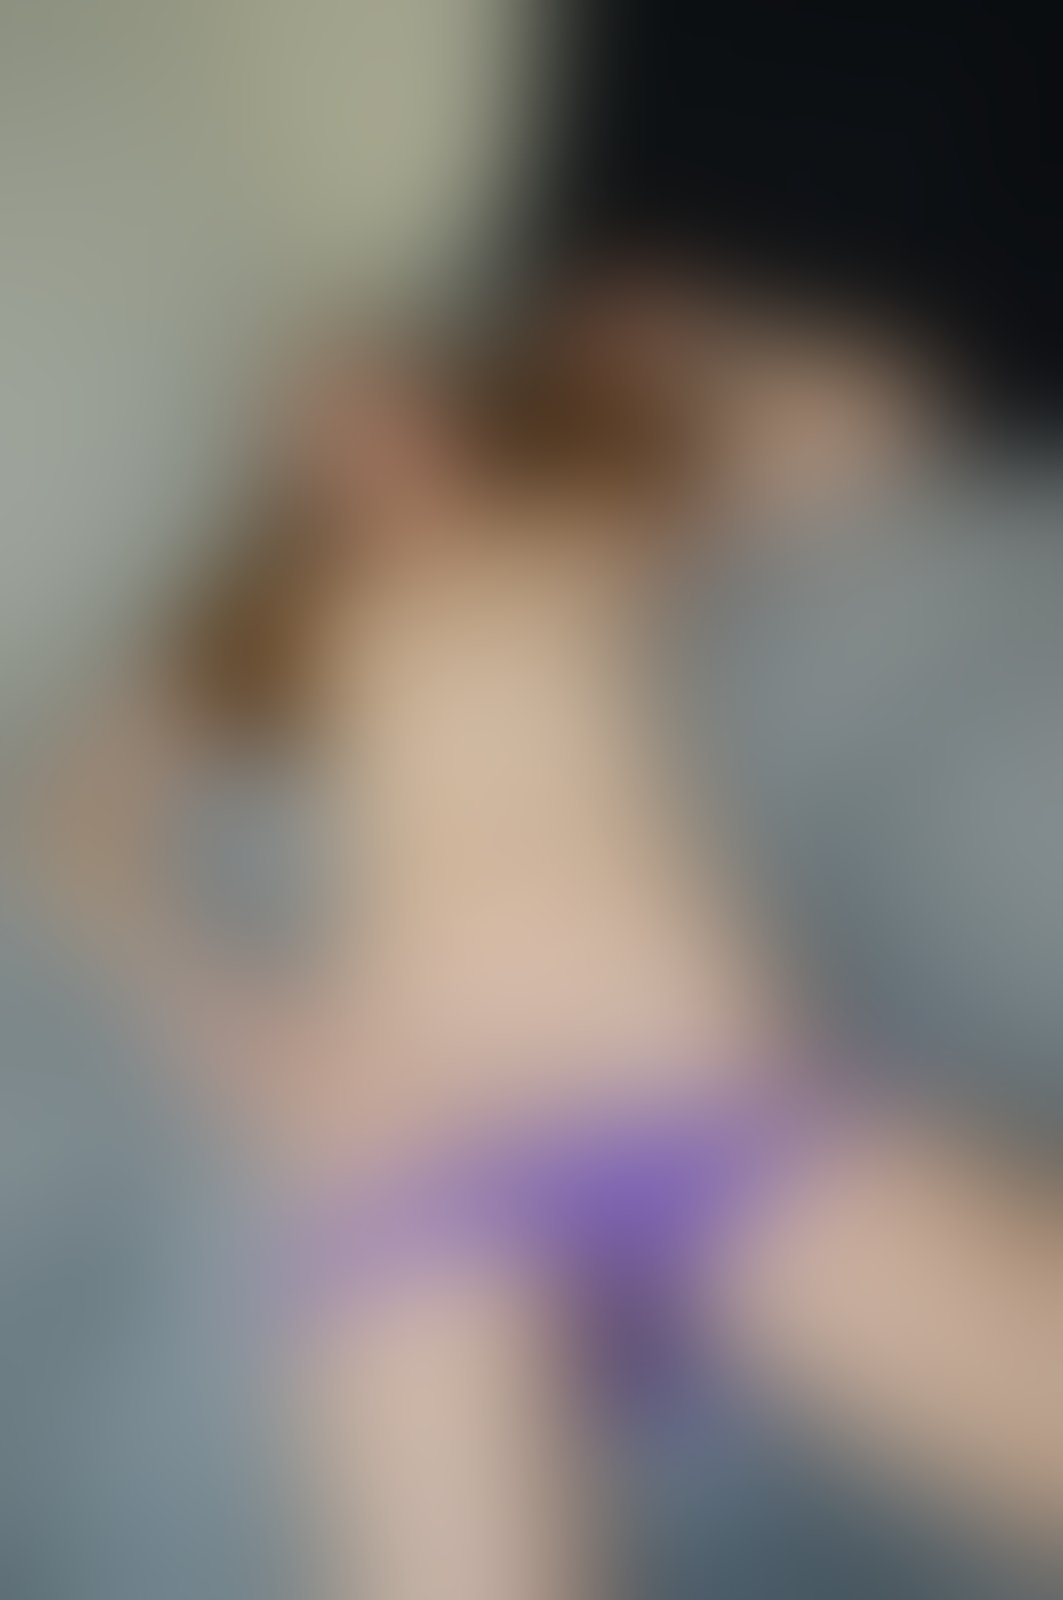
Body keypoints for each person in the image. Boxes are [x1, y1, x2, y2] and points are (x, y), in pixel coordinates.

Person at [27, 281, 1062, 1599]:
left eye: (372, 383)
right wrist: (223, 1026)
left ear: (460, 388)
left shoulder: (602, 504)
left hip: (664, 1065)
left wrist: (662, 353)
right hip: (420, 1128)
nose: (346, 423)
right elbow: (68, 823)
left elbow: (871, 420)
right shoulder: (255, 639)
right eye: (306, 415)